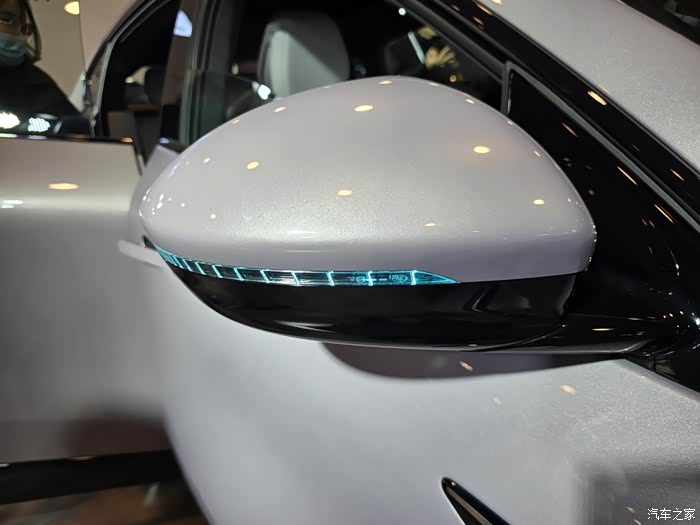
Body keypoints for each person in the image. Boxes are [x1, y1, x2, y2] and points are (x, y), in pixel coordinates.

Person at [0, 0, 76, 116]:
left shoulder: (39, 87)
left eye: (5, 19)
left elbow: (70, 123)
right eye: (6, 19)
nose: (21, 32)